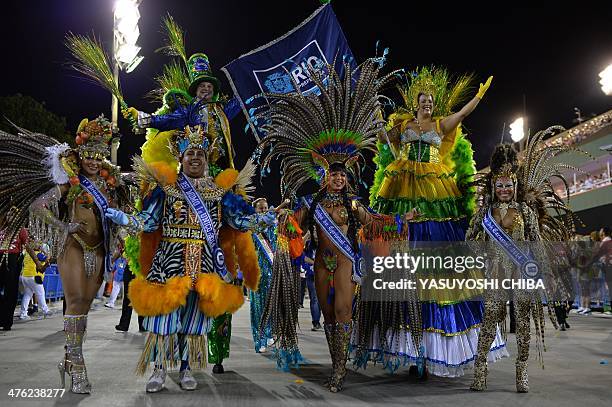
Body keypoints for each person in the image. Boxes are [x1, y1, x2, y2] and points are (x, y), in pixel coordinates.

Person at [258, 58, 417, 393]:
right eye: (334, 174)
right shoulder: (311, 204)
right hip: (320, 265)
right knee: (328, 315)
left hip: (345, 264)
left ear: (347, 178)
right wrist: (282, 217)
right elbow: (292, 227)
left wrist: (402, 221)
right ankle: (336, 363)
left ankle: (340, 370)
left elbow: (374, 224)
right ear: (325, 176)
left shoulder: (354, 205)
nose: (338, 178)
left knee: (344, 311)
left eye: (342, 175)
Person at [357, 67, 504, 377]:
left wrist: (478, 96)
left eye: (431, 101)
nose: (427, 104)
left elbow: (462, 114)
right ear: (416, 103)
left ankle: (435, 349)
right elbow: (385, 141)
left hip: (435, 192)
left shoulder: (440, 123)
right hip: (402, 190)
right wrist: (376, 113)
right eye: (423, 100)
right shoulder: (404, 124)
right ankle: (407, 347)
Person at [105, 125, 274, 393]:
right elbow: (148, 221)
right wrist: (126, 219)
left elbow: (239, 219)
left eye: (200, 154)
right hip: (169, 262)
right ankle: (159, 370)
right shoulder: (166, 189)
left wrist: (259, 221)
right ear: (180, 159)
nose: (195, 157)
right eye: (190, 153)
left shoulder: (219, 194)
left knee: (194, 322)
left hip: (204, 264)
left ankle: (186, 368)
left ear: (207, 160)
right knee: (163, 320)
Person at [0, 115, 132, 393]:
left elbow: (120, 216)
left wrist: (120, 238)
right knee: (75, 302)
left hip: (100, 250)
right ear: (80, 154)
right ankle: (78, 367)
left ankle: (68, 360)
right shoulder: (69, 183)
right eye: (88, 155)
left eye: (99, 156)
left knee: (84, 307)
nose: (93, 162)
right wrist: (64, 226)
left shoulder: (109, 186)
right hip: (73, 247)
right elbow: (38, 207)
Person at [467, 128, 576, 393]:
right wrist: (481, 257)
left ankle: (522, 371)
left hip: (521, 272)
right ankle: (480, 370)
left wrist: (544, 273)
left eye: (508, 185)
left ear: (515, 186)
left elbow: (537, 243)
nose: (504, 189)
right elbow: (470, 238)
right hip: (496, 273)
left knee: (523, 321)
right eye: (500, 185)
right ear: (494, 186)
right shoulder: (485, 213)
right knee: (491, 317)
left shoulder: (526, 211)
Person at [0, 212, 42, 330]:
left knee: (11, 292)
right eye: (8, 214)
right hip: (1, 259)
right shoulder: (1, 227)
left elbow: (28, 246)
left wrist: (37, 262)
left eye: (13, 215)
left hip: (12, 261)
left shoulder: (21, 230)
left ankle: (7, 322)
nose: (10, 217)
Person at [249, 197, 276, 353]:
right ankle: (259, 340)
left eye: (266, 207)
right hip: (257, 273)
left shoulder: (273, 227)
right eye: (261, 208)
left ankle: (269, 333)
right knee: (258, 307)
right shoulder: (252, 226)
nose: (264, 210)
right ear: (255, 210)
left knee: (270, 305)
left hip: (271, 272)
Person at [19, 241, 51, 319]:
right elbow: (47, 259)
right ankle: (45, 311)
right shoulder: (38, 254)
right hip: (35, 276)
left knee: (27, 295)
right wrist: (47, 254)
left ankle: (23, 313)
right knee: (41, 293)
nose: (40, 245)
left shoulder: (27, 253)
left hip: (25, 276)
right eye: (38, 244)